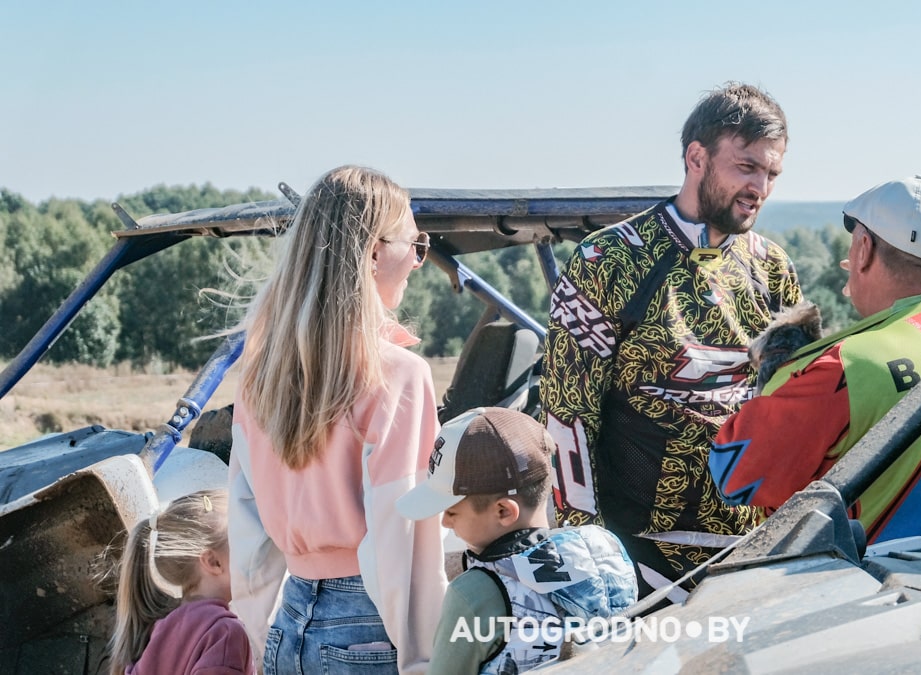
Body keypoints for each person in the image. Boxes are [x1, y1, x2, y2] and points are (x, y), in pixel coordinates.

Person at [541, 82, 802, 600]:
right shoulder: (608, 259)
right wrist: (584, 546)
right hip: (636, 549)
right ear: (696, 157)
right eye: (746, 166)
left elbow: (793, 406)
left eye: (772, 173)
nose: (761, 187)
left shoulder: (774, 269)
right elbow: (568, 414)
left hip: (747, 547)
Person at [710, 175, 921, 555]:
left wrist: (777, 373)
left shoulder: (843, 366)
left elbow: (736, 474)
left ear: (864, 250)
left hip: (870, 601)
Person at [228, 166, 447, 672]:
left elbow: (247, 533)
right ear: (373, 252)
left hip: (289, 622)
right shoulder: (400, 375)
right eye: (415, 244)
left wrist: (260, 642)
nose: (418, 261)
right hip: (369, 631)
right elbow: (402, 541)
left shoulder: (258, 377)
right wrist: (421, 660)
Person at [395, 407, 638, 675]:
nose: (445, 522)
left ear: (504, 511)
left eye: (451, 512)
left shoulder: (473, 595)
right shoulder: (606, 547)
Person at [109, 490, 254, 675]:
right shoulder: (223, 632)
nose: (254, 552)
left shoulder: (159, 629)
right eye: (242, 543)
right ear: (213, 562)